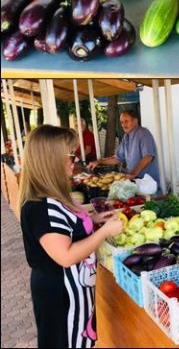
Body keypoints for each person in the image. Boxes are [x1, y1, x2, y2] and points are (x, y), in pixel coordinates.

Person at [19, 125, 124, 348]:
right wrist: (105, 232)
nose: (74, 160)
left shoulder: (56, 196)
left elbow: (67, 228)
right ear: (51, 159)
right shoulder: (41, 206)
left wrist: (94, 221)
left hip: (75, 292)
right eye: (70, 155)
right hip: (61, 297)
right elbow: (65, 256)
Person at [87, 109, 160, 185]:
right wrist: (98, 161)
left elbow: (148, 157)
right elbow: (117, 158)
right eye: (122, 122)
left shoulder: (143, 133)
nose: (124, 125)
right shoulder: (126, 137)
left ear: (135, 121)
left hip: (147, 183)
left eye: (126, 121)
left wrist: (133, 174)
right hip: (134, 182)